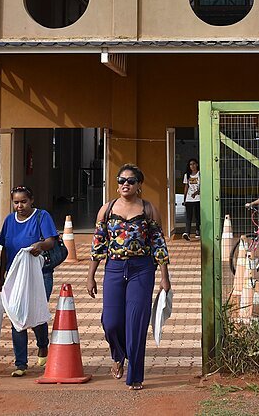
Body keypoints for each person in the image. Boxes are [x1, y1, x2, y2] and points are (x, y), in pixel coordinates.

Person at [87, 164, 171, 390]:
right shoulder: (106, 210)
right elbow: (98, 244)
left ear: (139, 185)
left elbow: (158, 243)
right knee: (111, 322)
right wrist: (90, 276)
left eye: (131, 181)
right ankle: (118, 355)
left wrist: (164, 276)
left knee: (136, 323)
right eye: (121, 180)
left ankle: (135, 376)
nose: (125, 184)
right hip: (114, 269)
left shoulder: (149, 209)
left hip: (142, 269)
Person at [0, 185, 59, 377]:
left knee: (35, 311)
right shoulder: (9, 220)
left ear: (31, 200)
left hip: (39, 274)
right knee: (17, 315)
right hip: (15, 276)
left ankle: (42, 344)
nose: (20, 206)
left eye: (23, 201)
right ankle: (20, 363)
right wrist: (1, 275)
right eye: (16, 202)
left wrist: (40, 245)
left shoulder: (42, 216)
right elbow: (5, 249)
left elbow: (51, 241)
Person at [182, 159, 201, 240]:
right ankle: (187, 233)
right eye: (190, 164)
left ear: (197, 164)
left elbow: (202, 185)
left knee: (197, 216)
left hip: (198, 199)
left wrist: (196, 193)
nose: (192, 166)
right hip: (189, 199)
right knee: (188, 217)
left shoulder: (200, 174)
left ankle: (197, 231)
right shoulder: (187, 175)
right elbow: (186, 187)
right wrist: (184, 198)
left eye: (193, 164)